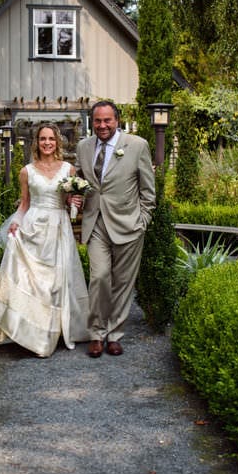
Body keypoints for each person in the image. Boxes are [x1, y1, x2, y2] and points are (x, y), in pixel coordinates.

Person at [0, 123, 91, 357]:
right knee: (32, 281)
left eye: (51, 139)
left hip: (58, 227)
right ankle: (32, 333)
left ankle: (56, 330)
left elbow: (69, 201)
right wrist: (16, 221)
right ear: (37, 143)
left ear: (57, 142)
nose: (47, 143)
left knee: (56, 281)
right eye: (43, 139)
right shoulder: (27, 171)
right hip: (33, 226)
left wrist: (73, 203)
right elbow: (24, 204)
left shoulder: (68, 170)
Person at [71, 100, 156, 358]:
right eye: (97, 121)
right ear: (92, 122)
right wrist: (72, 197)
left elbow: (148, 190)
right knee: (99, 277)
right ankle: (96, 334)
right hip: (95, 222)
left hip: (129, 225)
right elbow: (80, 182)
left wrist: (143, 221)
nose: (102, 125)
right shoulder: (84, 147)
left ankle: (114, 334)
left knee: (123, 283)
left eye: (107, 120)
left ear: (117, 120)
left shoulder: (137, 145)